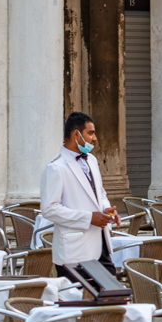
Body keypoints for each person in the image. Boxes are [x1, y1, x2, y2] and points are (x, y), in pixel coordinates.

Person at [40, 111, 120, 282]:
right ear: (76, 134)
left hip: (101, 243)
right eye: (90, 133)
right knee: (76, 302)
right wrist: (89, 218)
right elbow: (49, 209)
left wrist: (106, 209)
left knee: (111, 297)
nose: (95, 138)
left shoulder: (91, 160)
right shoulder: (56, 167)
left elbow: (100, 192)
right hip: (74, 250)